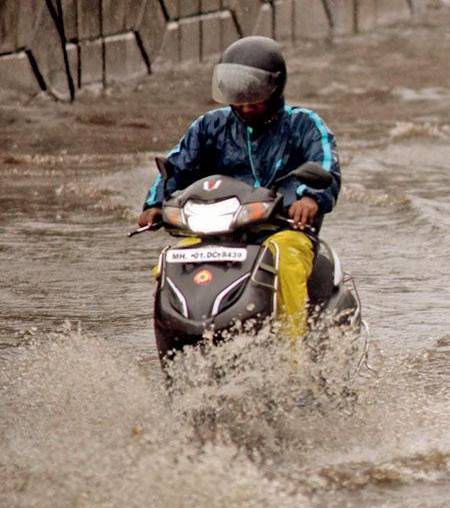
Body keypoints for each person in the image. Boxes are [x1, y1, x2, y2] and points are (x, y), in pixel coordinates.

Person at [137, 36, 340, 343]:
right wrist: (154, 204)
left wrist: (311, 198)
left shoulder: (303, 124)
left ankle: (294, 358)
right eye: (238, 95)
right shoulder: (210, 126)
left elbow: (324, 164)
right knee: (171, 262)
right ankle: (180, 355)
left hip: (283, 231)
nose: (244, 105)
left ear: (275, 88)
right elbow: (177, 167)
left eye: (253, 96)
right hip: (218, 233)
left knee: (283, 259)